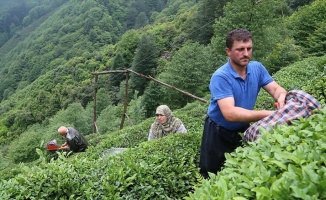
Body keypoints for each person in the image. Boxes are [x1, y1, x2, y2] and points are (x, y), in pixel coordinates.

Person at [199, 29, 287, 178]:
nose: (246, 53)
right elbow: (230, 114)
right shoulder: (221, 76)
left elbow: (276, 89)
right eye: (240, 49)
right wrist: (269, 114)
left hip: (243, 127)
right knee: (211, 172)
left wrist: (281, 99)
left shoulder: (257, 68)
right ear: (228, 51)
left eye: (249, 48)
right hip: (218, 132)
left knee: (242, 168)